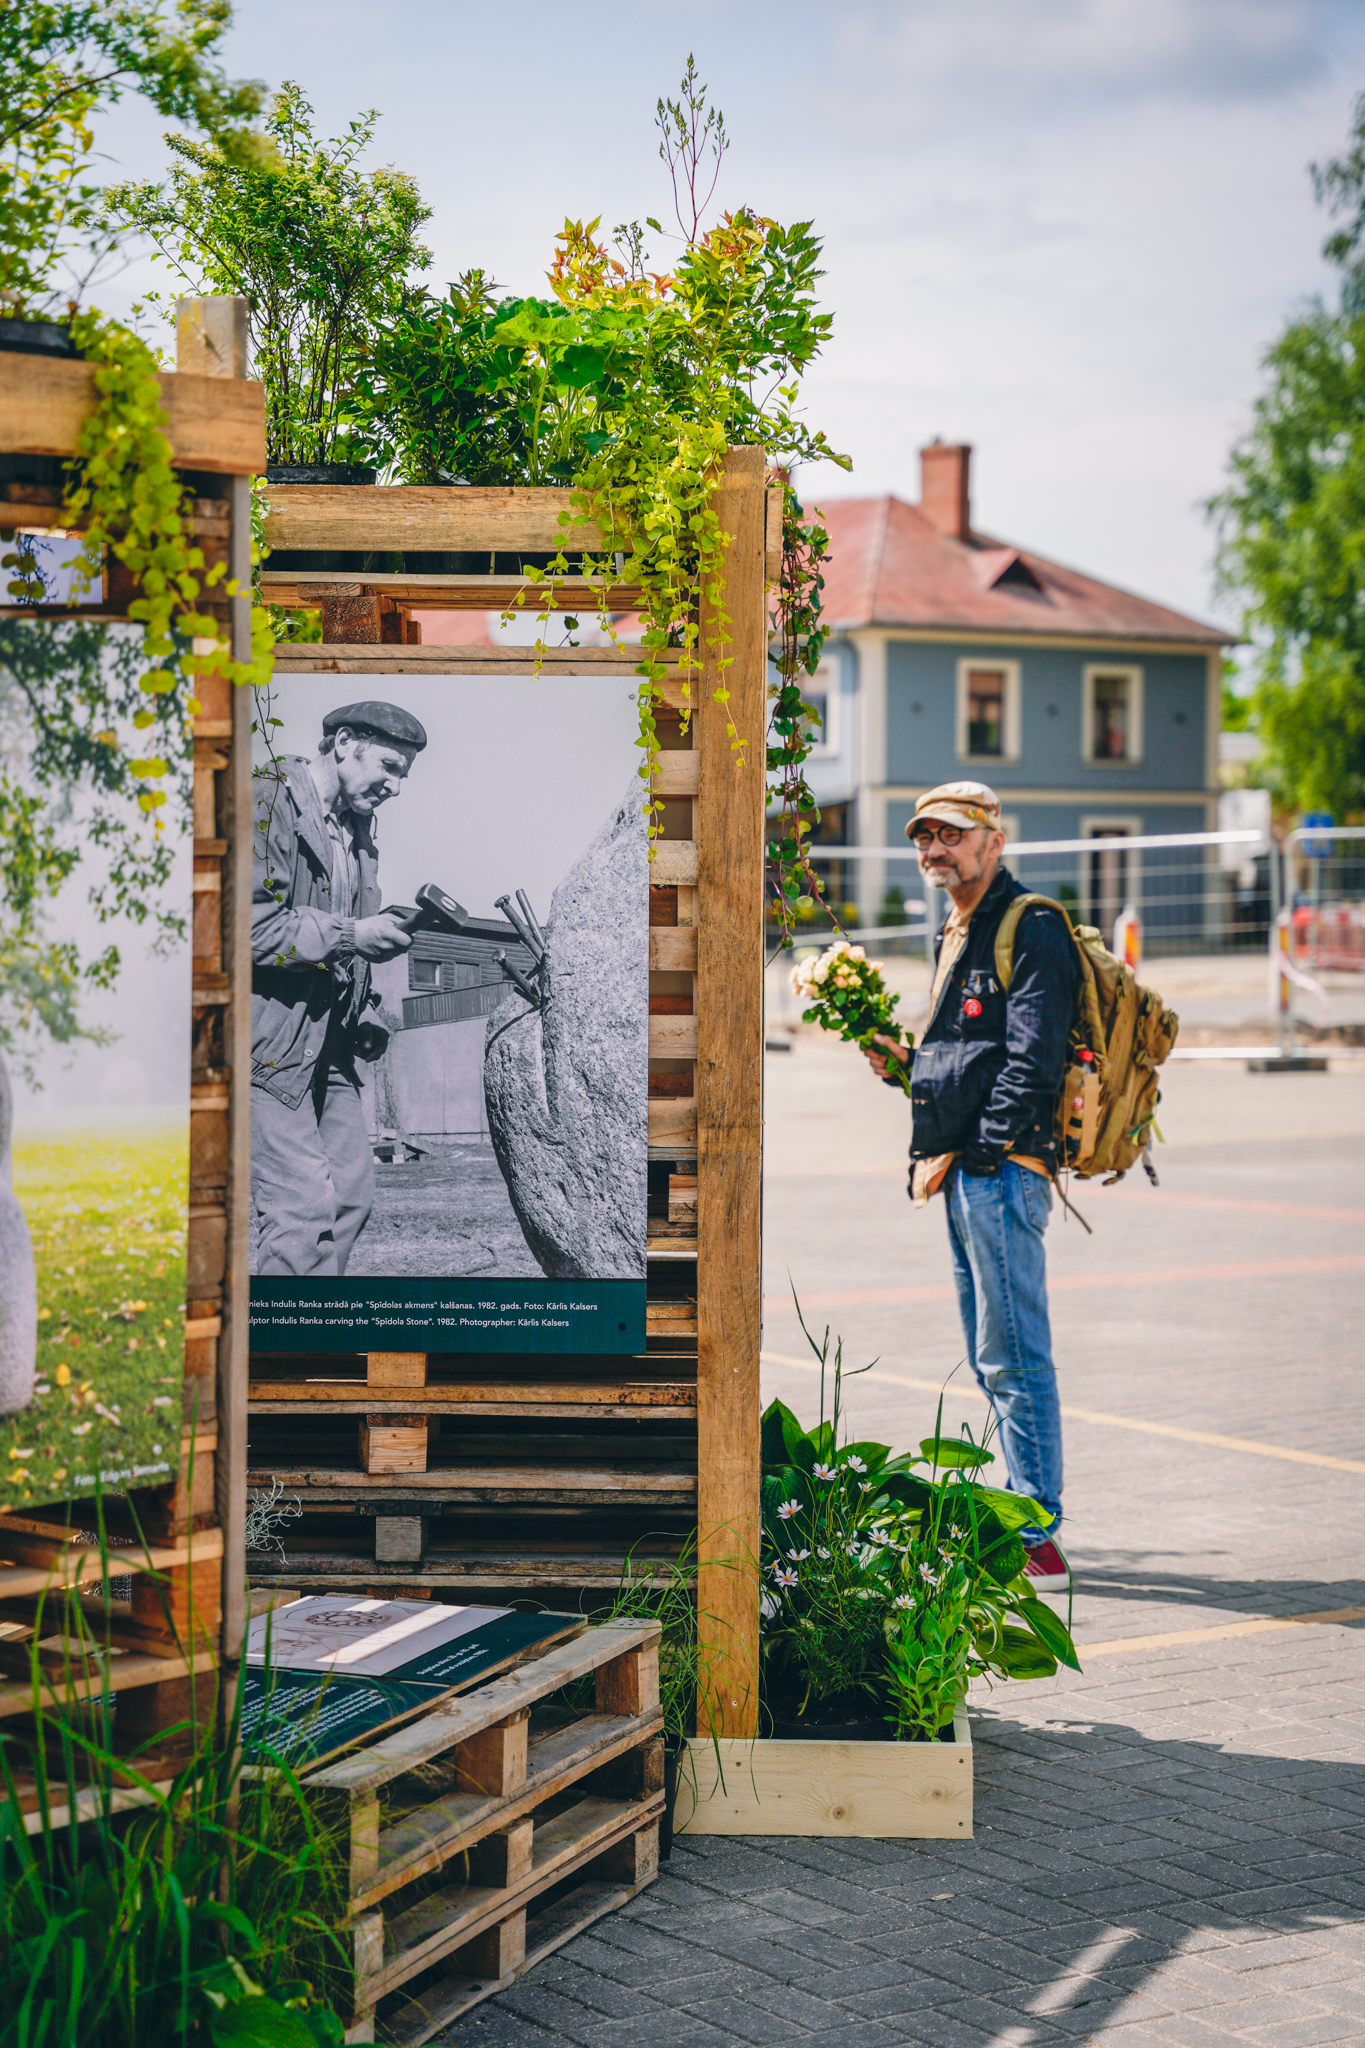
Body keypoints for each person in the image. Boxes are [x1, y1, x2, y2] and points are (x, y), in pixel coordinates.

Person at [863, 780, 1077, 1589]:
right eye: (923, 837)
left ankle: (1036, 1523)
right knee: (990, 1355)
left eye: (951, 835)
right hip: (957, 1171)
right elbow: (966, 1057)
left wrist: (985, 1152)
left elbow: (1033, 1057)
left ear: (993, 839)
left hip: (999, 1171)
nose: (934, 850)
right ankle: (1024, 1512)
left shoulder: (1031, 925)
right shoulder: (955, 930)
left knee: (1013, 1352)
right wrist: (906, 1065)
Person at [251, 701, 427, 1276]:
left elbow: (337, 937)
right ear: (345, 742)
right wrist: (353, 935)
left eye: (404, 774)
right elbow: (246, 927)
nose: (396, 786)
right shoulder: (267, 798)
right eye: (390, 766)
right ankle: (284, 1331)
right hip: (265, 1048)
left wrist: (365, 1008)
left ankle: (310, 1316)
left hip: (329, 1045)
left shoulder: (356, 834)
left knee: (350, 1199)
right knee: (301, 1213)